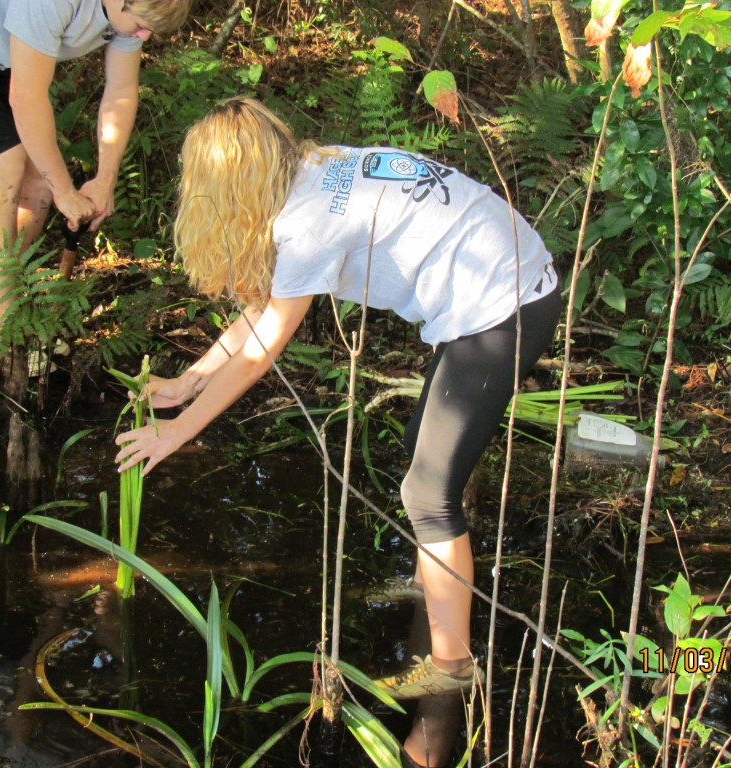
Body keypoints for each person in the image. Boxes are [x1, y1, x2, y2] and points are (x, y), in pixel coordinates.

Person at [114, 97, 561, 765]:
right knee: (425, 465)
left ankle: (450, 667)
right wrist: (188, 380)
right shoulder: (310, 168)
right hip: (494, 282)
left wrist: (179, 431)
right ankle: (434, 590)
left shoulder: (305, 224)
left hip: (503, 303)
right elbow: (263, 304)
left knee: (427, 493)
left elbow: (264, 347)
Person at [0, 0, 190, 341]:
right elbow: (27, 99)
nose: (144, 34)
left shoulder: (132, 14)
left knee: (38, 183)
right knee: (5, 174)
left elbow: (121, 91)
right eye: (141, 24)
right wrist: (66, 192)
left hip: (5, 43)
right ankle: (6, 334)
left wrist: (105, 178)